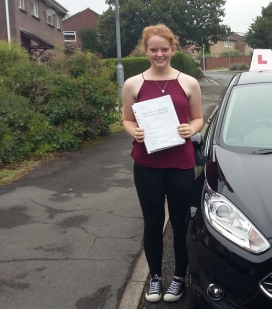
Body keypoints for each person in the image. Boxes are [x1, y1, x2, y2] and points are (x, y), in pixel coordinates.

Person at [121, 24, 203, 303]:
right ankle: (155, 277)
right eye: (153, 49)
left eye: (164, 49)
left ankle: (179, 277)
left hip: (180, 163)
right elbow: (128, 119)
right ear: (146, 50)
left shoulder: (188, 82)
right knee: (153, 223)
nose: (159, 54)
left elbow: (197, 119)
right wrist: (135, 132)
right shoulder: (133, 84)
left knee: (180, 223)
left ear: (172, 49)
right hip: (147, 165)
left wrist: (190, 130)